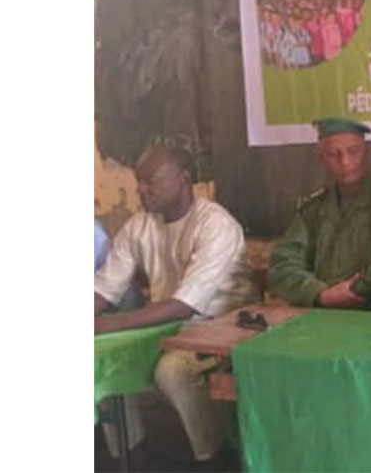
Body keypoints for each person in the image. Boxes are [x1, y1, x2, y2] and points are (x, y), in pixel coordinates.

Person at [94, 145, 256, 466]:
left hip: (221, 331)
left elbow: (184, 305)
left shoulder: (215, 224)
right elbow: (104, 287)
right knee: (103, 363)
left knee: (173, 371)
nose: (142, 190)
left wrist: (105, 325)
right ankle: (128, 455)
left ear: (184, 179)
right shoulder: (139, 225)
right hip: (167, 329)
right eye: (139, 182)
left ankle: (213, 457)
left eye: (152, 182)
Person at [267, 118, 371, 310]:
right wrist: (318, 293)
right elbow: (283, 264)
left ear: (367, 153)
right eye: (333, 154)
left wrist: (350, 291)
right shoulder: (313, 207)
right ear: (321, 158)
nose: (345, 161)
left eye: (354, 151)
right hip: (320, 309)